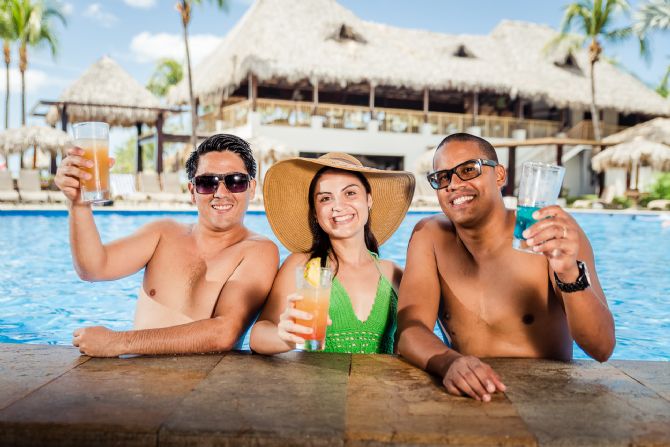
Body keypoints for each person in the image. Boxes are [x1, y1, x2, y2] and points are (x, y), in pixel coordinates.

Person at [397, 133, 615, 402]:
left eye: (468, 170)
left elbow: (602, 348)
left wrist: (569, 272)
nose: (453, 184)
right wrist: (449, 362)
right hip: (473, 398)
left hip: (548, 401)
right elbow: (409, 332)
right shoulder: (430, 236)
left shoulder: (549, 234)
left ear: (499, 175)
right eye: (443, 177)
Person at [54, 134, 279, 357]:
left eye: (235, 181)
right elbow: (93, 268)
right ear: (192, 191)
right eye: (207, 183)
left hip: (203, 387)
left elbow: (224, 332)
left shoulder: (258, 251)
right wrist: (78, 203)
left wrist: (118, 342)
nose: (220, 193)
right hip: (139, 382)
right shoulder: (162, 234)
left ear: (251, 188)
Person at [250, 153, 415, 354]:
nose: (338, 206)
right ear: (315, 214)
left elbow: (407, 350)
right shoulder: (303, 266)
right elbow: (258, 335)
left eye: (350, 193)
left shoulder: (395, 274)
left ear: (369, 200)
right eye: (326, 198)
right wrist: (286, 337)